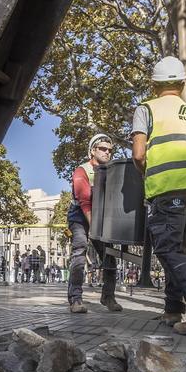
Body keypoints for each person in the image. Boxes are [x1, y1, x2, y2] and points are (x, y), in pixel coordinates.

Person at [131, 57, 186, 334]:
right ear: (182, 84)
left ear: (153, 84)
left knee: (167, 249)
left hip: (168, 187)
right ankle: (173, 310)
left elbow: (138, 153)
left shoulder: (146, 108)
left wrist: (147, 173)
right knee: (177, 250)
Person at [67, 133, 121, 314]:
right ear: (92, 151)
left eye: (110, 150)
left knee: (109, 256)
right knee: (80, 251)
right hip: (81, 217)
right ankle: (75, 299)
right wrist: (93, 228)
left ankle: (108, 297)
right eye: (103, 149)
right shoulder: (82, 171)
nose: (107, 153)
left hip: (102, 217)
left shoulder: (112, 171)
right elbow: (85, 202)